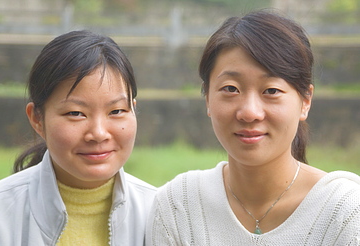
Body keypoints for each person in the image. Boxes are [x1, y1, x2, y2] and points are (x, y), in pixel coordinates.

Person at [146, 10, 360, 245]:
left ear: (305, 101)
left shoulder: (345, 211)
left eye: (271, 91)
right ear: (207, 97)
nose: (249, 112)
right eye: (231, 89)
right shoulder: (179, 206)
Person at [0, 30, 156, 245]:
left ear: (133, 110)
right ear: (37, 119)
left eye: (116, 111)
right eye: (75, 113)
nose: (98, 133)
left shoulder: (162, 214)